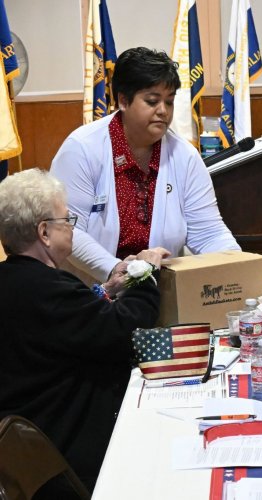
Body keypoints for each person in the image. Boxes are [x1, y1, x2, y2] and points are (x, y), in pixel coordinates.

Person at [0, 168, 169, 494]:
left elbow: (67, 326)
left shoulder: (16, 282)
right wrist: (144, 273)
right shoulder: (50, 290)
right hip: (67, 454)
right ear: (44, 232)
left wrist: (107, 289)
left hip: (24, 453)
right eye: (68, 221)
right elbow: (124, 333)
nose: (72, 230)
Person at [50, 47, 240, 284]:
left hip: (157, 295)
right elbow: (68, 229)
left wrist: (240, 268)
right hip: (89, 293)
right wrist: (118, 270)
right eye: (152, 101)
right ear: (123, 100)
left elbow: (209, 233)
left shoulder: (185, 156)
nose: (163, 111)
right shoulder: (81, 148)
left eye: (169, 102)